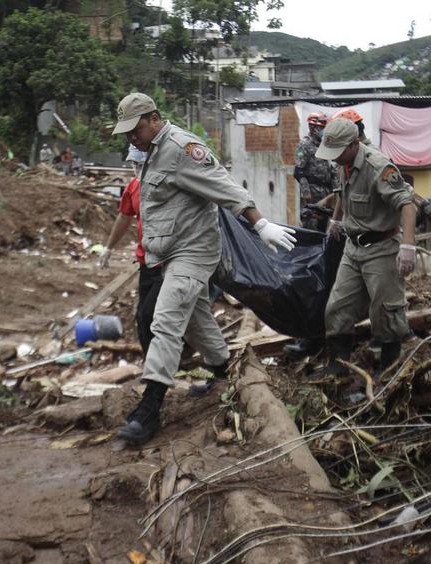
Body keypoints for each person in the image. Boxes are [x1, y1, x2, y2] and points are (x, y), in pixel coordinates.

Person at [111, 92, 296, 444]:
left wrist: (260, 224)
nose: (131, 137)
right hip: (167, 254)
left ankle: (149, 409)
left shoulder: (182, 149)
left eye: (136, 129)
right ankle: (224, 373)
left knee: (165, 319)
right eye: (127, 132)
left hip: (193, 251)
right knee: (196, 319)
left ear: (154, 118)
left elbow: (224, 187)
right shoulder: (151, 152)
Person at [316, 118, 417, 380]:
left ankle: (389, 368)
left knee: (385, 311)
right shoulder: (344, 164)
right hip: (353, 249)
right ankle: (338, 365)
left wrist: (408, 246)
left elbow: (407, 204)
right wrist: (336, 220)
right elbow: (343, 193)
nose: (334, 158)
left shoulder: (378, 167)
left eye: (338, 152)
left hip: (382, 248)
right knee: (337, 307)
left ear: (354, 144)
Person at [99, 145, 162, 353]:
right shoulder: (134, 187)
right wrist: (109, 248)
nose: (138, 168)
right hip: (147, 263)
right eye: (134, 164)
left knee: (152, 315)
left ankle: (167, 362)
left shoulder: (168, 186)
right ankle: (151, 362)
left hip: (169, 263)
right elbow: (124, 217)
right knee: (142, 318)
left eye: (141, 164)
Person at [294, 112, 335, 231]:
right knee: (311, 224)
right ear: (312, 127)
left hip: (326, 192)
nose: (324, 131)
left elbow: (331, 169)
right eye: (321, 128)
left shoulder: (325, 145)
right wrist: (306, 194)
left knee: (324, 226)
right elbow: (299, 171)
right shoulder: (305, 144)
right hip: (312, 192)